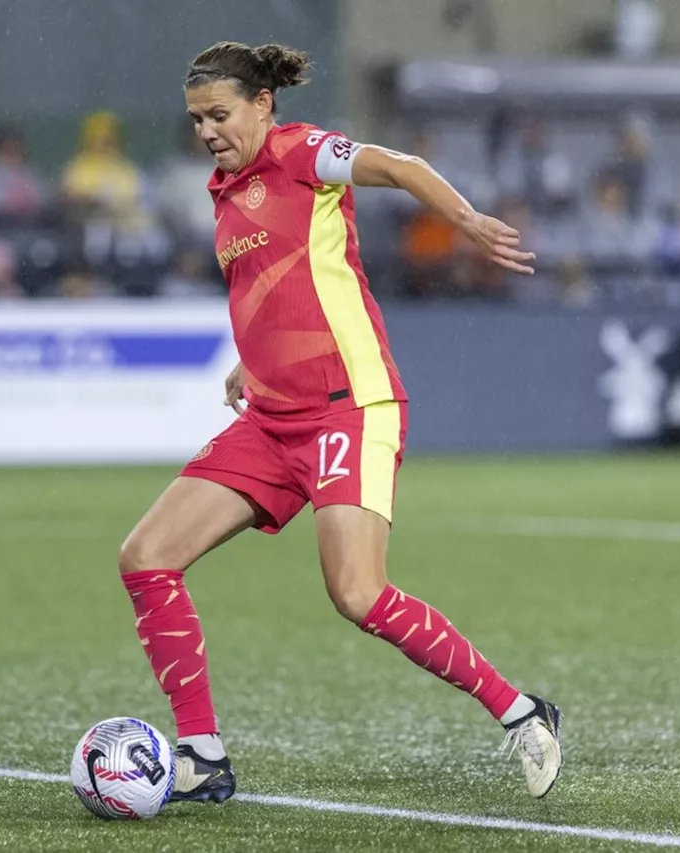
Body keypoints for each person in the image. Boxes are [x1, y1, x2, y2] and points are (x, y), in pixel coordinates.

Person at [118, 42, 562, 805]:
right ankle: (201, 753)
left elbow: (397, 166)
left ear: (263, 105)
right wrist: (248, 362)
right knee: (145, 556)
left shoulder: (301, 151)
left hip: (347, 405)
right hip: (270, 417)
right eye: (196, 120)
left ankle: (522, 711)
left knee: (357, 592)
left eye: (220, 115)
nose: (207, 132)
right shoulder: (225, 188)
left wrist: (464, 220)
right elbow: (276, 286)